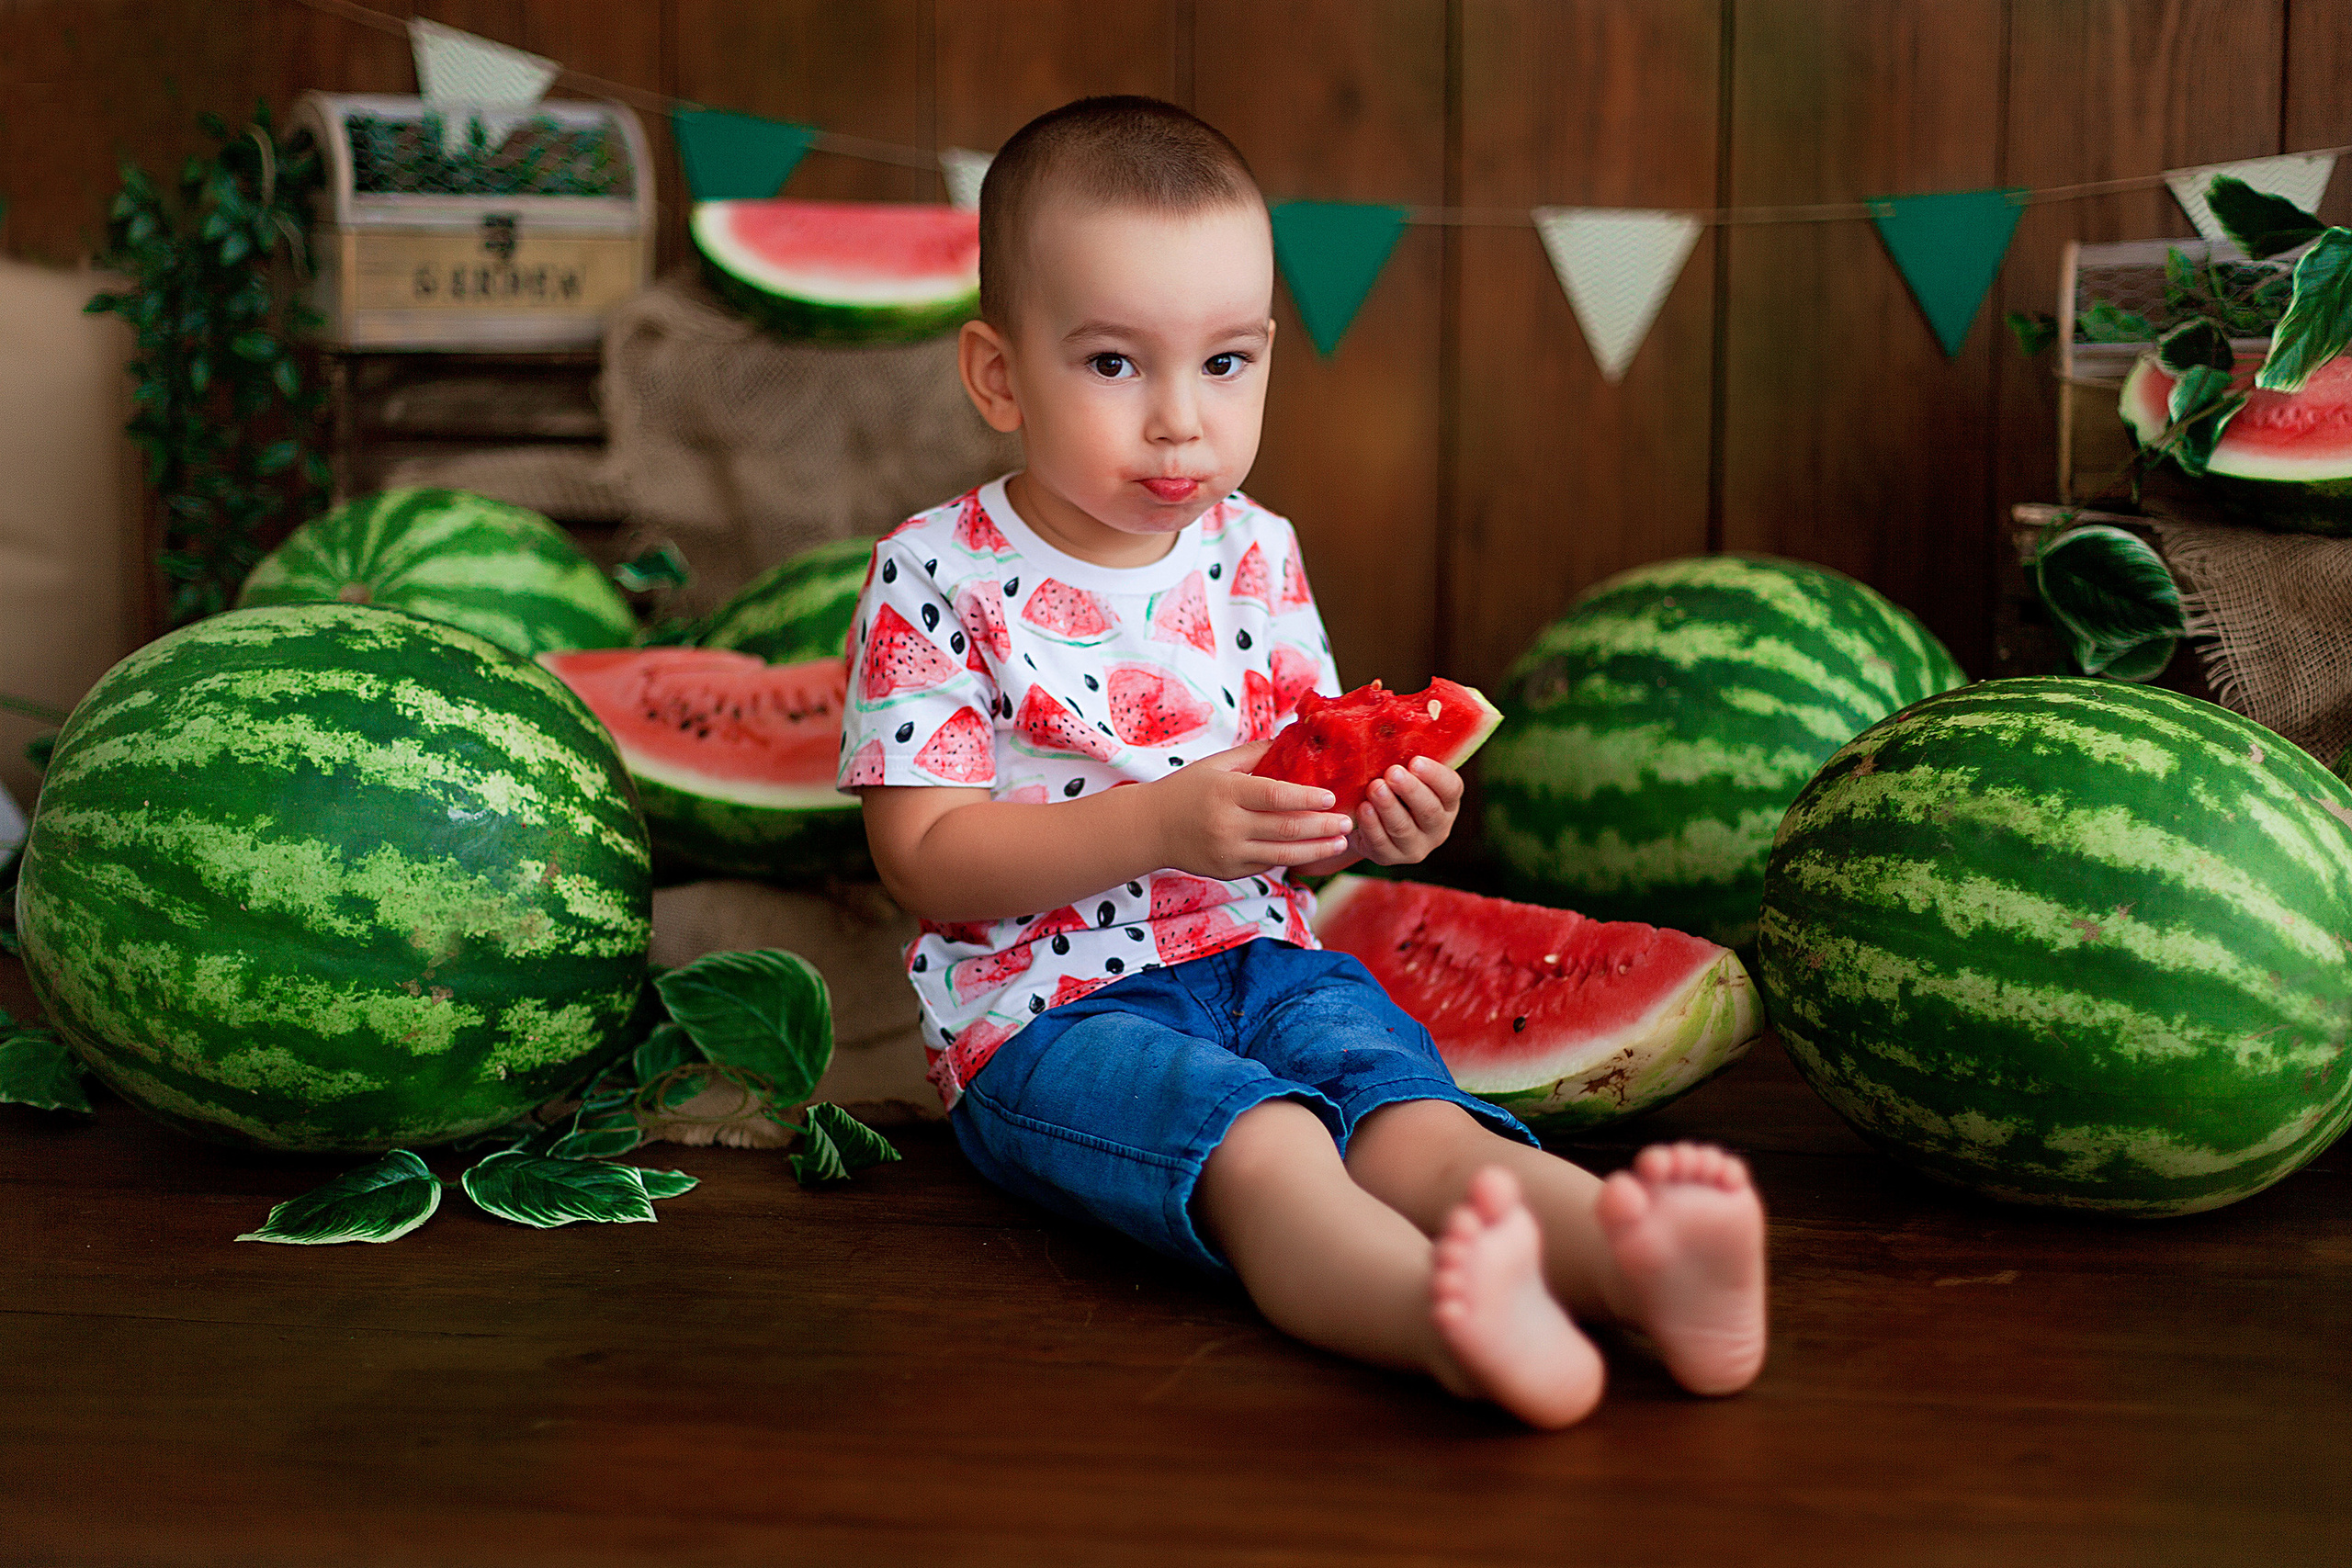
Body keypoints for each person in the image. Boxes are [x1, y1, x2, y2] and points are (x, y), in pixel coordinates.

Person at [840, 95, 1765, 1428]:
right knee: (1268, 1149)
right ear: (999, 374)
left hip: (1274, 964)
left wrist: (1380, 823)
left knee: (1412, 1119)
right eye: (1114, 364)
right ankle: (1443, 1323)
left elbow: (1296, 803)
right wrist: (1164, 823)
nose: (1180, 424)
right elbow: (920, 860)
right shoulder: (934, 574)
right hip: (1043, 1020)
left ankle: (1633, 1258)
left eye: (1227, 363)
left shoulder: (1255, 550)